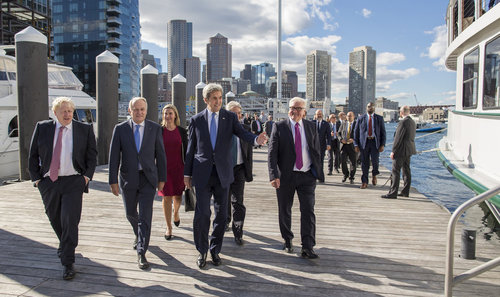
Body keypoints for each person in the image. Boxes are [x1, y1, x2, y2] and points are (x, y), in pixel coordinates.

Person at [184, 83, 267, 269]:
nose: (218, 101)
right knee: (202, 214)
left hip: (223, 173)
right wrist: (186, 174)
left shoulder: (229, 117)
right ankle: (202, 250)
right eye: (214, 98)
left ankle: (215, 250)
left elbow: (242, 133)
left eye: (220, 98)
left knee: (221, 216)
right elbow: (190, 150)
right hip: (202, 174)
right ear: (206, 100)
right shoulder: (196, 120)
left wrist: (256, 139)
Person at [29, 97, 97, 280]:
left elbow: (92, 155)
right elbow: (33, 155)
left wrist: (86, 177)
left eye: (70, 111)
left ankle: (68, 262)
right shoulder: (43, 128)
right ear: (55, 113)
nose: (67, 114)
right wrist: (37, 180)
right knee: (54, 218)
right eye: (63, 111)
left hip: (74, 181)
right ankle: (65, 245)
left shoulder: (84, 129)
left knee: (70, 219)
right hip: (48, 182)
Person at [109, 97, 167, 270]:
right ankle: (138, 233)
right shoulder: (120, 129)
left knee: (145, 216)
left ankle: (142, 251)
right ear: (129, 111)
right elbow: (113, 157)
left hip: (148, 178)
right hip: (128, 178)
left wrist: (162, 179)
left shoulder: (155, 128)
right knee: (130, 213)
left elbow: (161, 155)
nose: (139, 112)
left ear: (146, 111)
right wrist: (112, 180)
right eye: (136, 109)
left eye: (142, 109)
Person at [268, 97, 323, 259]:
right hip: (286, 176)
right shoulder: (279, 127)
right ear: (288, 109)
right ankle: (288, 240)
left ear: (304, 111)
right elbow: (272, 154)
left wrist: (317, 171)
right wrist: (273, 175)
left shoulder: (311, 127)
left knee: (308, 210)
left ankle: (308, 246)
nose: (295, 111)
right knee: (285, 209)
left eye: (299, 109)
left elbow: (316, 150)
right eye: (293, 108)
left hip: (307, 176)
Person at [225, 101, 253, 245]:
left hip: (239, 168)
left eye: (238, 113)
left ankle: (238, 232)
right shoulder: (221, 129)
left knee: (238, 201)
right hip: (224, 169)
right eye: (233, 113)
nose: (237, 116)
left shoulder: (245, 128)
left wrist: (249, 171)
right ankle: (225, 221)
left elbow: (249, 151)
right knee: (224, 199)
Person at [158, 104, 188, 239]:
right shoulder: (159, 131)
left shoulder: (182, 131)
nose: (168, 116)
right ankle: (169, 227)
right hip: (164, 170)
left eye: (170, 113)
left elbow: (187, 152)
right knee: (166, 197)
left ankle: (176, 213)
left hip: (179, 168)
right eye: (165, 113)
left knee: (177, 196)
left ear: (175, 115)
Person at [381, 106, 416, 199]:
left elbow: (398, 138)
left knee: (395, 171)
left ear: (401, 112)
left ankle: (393, 192)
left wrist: (393, 151)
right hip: (409, 150)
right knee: (406, 171)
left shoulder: (403, 122)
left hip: (401, 150)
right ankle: (405, 191)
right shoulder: (412, 122)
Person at [354, 102, 386, 189]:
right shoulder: (361, 118)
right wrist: (356, 144)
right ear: (366, 108)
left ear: (374, 108)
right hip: (364, 143)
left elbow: (383, 132)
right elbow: (356, 132)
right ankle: (364, 181)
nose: (370, 108)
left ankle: (374, 174)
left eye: (372, 107)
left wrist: (382, 144)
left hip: (375, 143)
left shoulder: (379, 118)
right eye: (369, 107)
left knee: (375, 162)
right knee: (364, 163)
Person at [338, 112, 357, 184]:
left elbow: (359, 134)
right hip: (344, 145)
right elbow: (339, 133)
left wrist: (353, 139)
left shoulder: (356, 124)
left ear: (353, 117)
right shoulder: (344, 123)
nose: (349, 117)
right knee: (343, 160)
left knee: (353, 162)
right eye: (348, 116)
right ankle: (345, 174)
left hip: (352, 145)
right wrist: (341, 139)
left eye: (350, 116)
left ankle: (351, 177)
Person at [312, 110, 331, 178]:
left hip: (322, 146)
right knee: (313, 161)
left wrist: (329, 144)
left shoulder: (326, 124)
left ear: (322, 115)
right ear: (315, 115)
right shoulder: (312, 123)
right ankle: (314, 175)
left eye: (320, 114)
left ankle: (320, 176)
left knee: (320, 161)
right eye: (318, 114)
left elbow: (329, 135)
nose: (319, 115)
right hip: (313, 146)